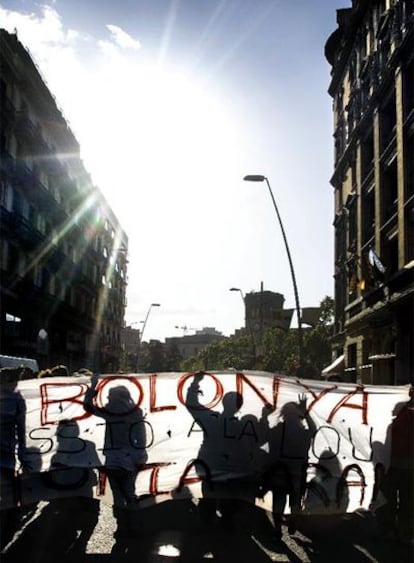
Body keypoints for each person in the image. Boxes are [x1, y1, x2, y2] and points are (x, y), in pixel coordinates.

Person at [83, 374, 148, 537]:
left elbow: (87, 406)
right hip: (131, 459)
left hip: (112, 460)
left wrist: (93, 386)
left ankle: (122, 526)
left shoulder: (110, 411)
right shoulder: (136, 412)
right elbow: (141, 437)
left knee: (118, 495)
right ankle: (134, 525)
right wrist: (140, 456)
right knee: (130, 493)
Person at [377, 386, 414, 544]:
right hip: (406, 467)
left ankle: (389, 531)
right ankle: (405, 534)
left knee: (388, 501)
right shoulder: (406, 417)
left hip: (392, 467)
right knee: (407, 502)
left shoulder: (389, 422)